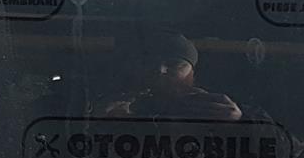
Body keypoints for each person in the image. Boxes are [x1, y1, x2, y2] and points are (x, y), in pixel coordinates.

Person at [103, 33, 242, 121]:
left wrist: (237, 120)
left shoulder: (210, 105)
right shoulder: (122, 102)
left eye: (174, 64)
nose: (160, 70)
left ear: (192, 71)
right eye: (151, 64)